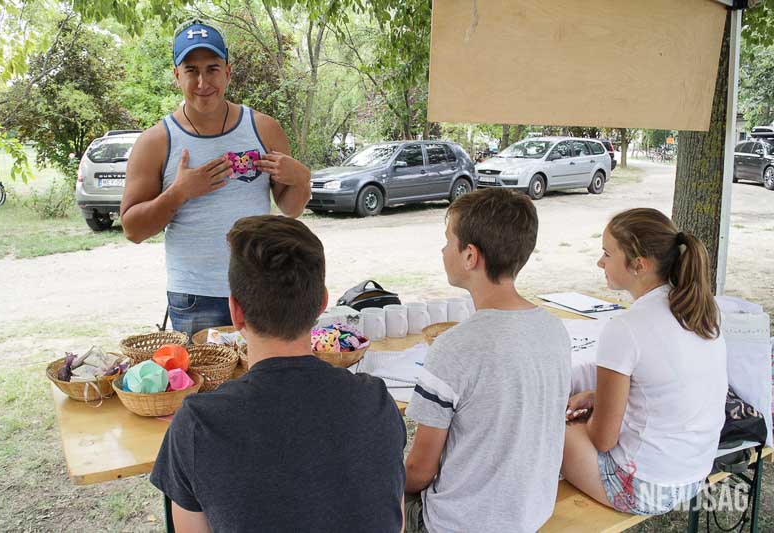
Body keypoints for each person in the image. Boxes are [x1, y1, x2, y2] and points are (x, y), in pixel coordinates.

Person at [150, 215, 406, 532]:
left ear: (235, 312)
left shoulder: (198, 423)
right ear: (322, 303)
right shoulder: (376, 400)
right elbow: (394, 518)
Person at [120, 19, 311, 337]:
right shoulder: (155, 142)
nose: (202, 82)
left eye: (212, 69)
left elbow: (291, 209)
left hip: (261, 289)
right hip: (195, 296)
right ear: (176, 75)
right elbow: (133, 230)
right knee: (202, 373)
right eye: (191, 70)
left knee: (261, 372)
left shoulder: (264, 129)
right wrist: (179, 192)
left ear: (228, 72)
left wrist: (302, 178)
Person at [403, 188, 572, 533]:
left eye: (448, 241)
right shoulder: (554, 329)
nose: (442, 250)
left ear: (470, 256)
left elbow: (419, 473)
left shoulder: (454, 348)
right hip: (530, 514)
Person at [562, 208, 727, 516]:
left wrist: (586, 420)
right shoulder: (704, 311)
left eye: (607, 254)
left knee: (552, 425)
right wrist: (599, 397)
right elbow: (669, 391)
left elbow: (602, 440)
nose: (600, 262)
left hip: (644, 488)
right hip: (695, 474)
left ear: (638, 265)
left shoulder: (626, 328)